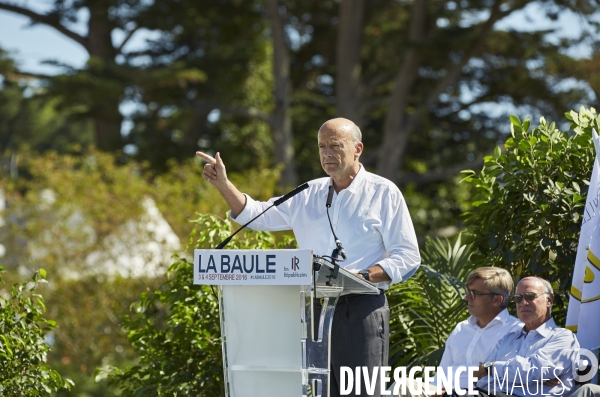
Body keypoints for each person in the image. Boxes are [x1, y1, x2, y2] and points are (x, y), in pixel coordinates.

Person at [198, 117, 421, 397]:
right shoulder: (307, 193)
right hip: (312, 310)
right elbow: (255, 215)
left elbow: (408, 255)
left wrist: (362, 276)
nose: (327, 153)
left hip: (361, 308)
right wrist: (223, 185)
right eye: (321, 146)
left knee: (360, 393)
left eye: (335, 146)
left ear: (358, 148)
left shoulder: (383, 192)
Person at [394, 267, 522, 397]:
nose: (467, 297)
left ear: (497, 300)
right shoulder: (462, 328)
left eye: (474, 293)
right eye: (468, 291)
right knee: (401, 385)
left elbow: (506, 382)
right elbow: (442, 374)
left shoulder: (515, 332)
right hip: (442, 393)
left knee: (404, 386)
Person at [472, 277, 580, 397]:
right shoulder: (508, 339)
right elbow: (480, 379)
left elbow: (530, 371)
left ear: (548, 300)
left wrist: (491, 368)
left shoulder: (563, 338)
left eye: (530, 296)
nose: (523, 303)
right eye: (518, 298)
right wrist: (529, 378)